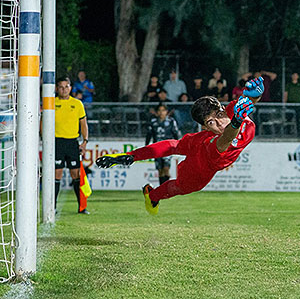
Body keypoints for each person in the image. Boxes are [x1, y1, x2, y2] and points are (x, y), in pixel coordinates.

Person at [95, 77, 264, 215]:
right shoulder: (212, 142)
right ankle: (135, 163)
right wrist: (133, 156)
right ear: (205, 127)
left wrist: (255, 94)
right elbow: (226, 138)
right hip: (204, 163)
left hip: (216, 141)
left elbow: (249, 100)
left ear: (224, 109)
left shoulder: (234, 110)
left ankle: (152, 195)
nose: (219, 123)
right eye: (211, 122)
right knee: (181, 179)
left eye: (219, 115)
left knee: (179, 184)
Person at [54, 77, 90, 214]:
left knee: (76, 174)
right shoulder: (51, 102)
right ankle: (53, 206)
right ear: (57, 88)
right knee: (57, 173)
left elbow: (83, 124)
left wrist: (85, 141)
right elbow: (43, 122)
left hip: (72, 142)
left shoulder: (77, 104)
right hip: (57, 142)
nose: (64, 89)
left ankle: (82, 207)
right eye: (61, 87)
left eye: (66, 86)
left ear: (70, 88)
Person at [146, 103, 181, 185]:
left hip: (167, 149)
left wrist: (178, 146)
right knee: (160, 170)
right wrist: (146, 146)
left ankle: (166, 189)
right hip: (156, 149)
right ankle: (161, 189)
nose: (161, 112)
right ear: (157, 112)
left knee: (166, 168)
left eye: (163, 110)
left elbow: (176, 134)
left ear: (166, 112)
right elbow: (149, 134)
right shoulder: (153, 122)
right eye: (159, 110)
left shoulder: (171, 121)